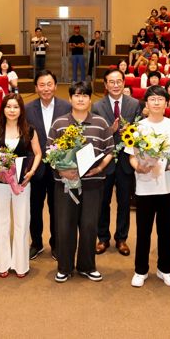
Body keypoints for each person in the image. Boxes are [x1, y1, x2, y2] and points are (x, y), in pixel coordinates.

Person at [49, 81, 114, 283]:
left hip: (92, 183)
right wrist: (62, 169)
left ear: (89, 99)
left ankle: (87, 266)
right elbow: (49, 151)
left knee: (88, 226)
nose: (80, 99)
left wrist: (100, 167)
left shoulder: (101, 123)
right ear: (70, 99)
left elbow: (109, 151)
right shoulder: (59, 123)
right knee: (65, 225)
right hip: (65, 184)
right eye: (77, 95)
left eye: (84, 95)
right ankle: (65, 267)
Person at [126, 85, 170, 288]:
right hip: (144, 187)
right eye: (152, 99)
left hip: (168, 187)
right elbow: (131, 156)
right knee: (143, 231)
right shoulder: (138, 127)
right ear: (146, 103)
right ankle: (140, 270)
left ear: (166, 103)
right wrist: (139, 168)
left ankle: (165, 269)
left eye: (160, 99)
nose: (157, 102)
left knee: (165, 230)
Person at [0, 93, 42, 277]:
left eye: (16, 107)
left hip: (22, 182)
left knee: (22, 222)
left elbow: (38, 153)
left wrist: (31, 172)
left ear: (21, 110)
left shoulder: (29, 130)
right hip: (0, 183)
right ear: (3, 109)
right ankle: (2, 263)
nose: (12, 110)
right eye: (8, 106)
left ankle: (20, 264)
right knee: (1, 222)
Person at [92, 69, 142, 256]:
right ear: (105, 85)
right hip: (105, 162)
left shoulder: (134, 104)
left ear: (124, 83)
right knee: (103, 202)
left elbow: (140, 131)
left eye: (119, 81)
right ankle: (103, 238)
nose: (115, 85)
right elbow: (94, 135)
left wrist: (132, 132)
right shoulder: (97, 106)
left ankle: (121, 238)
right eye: (111, 82)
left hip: (125, 161)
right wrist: (109, 132)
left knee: (124, 202)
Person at [25, 70, 72, 260]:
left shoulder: (66, 107)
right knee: (34, 208)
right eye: (42, 85)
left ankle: (56, 243)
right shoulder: (27, 109)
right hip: (34, 168)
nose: (46, 88)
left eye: (49, 84)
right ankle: (36, 242)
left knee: (57, 208)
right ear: (36, 88)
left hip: (58, 168)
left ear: (55, 86)